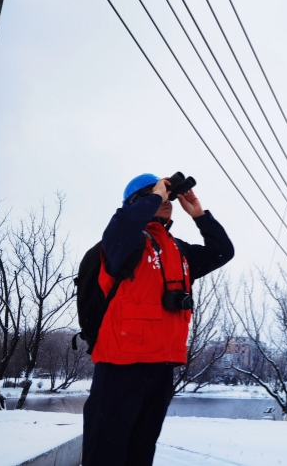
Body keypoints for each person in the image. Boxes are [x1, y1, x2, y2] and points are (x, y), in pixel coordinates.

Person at [82, 173, 234, 466]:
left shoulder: (178, 250)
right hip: (119, 366)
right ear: (139, 202)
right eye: (161, 195)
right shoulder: (121, 243)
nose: (168, 201)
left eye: (169, 197)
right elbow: (123, 224)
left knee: (140, 452)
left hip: (161, 368)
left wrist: (200, 215)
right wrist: (155, 195)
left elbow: (222, 252)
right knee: (105, 454)